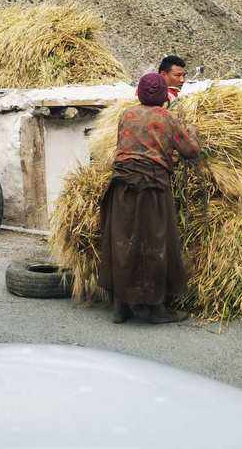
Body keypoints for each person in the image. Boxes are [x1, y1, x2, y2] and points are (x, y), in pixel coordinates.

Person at [99, 72, 201, 324]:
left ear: (140, 94)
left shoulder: (127, 115)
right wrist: (193, 133)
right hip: (152, 188)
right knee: (155, 244)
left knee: (123, 243)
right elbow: (190, 151)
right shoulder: (167, 118)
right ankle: (155, 309)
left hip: (121, 187)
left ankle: (120, 305)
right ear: (164, 94)